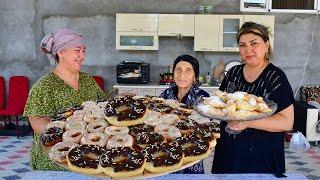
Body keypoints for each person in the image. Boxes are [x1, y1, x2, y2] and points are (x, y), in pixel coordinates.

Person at [211, 22, 294, 176]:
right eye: (242, 45)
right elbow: (220, 104)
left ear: (266, 45)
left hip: (261, 158)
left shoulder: (275, 78)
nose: (248, 49)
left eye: (254, 43)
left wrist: (247, 122)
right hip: (228, 154)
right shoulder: (233, 73)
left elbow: (286, 122)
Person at [23, 29, 106, 170]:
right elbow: (36, 122)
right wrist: (69, 132)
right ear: (60, 53)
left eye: (83, 51)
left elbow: (103, 106)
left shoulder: (88, 80)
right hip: (56, 160)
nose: (82, 56)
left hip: (87, 156)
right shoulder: (44, 86)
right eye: (77, 50)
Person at [160, 54, 209, 174]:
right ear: (173, 73)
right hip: (167, 153)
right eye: (178, 70)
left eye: (188, 70)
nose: (182, 75)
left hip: (191, 154)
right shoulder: (165, 95)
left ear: (194, 76)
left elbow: (204, 129)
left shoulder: (203, 98)